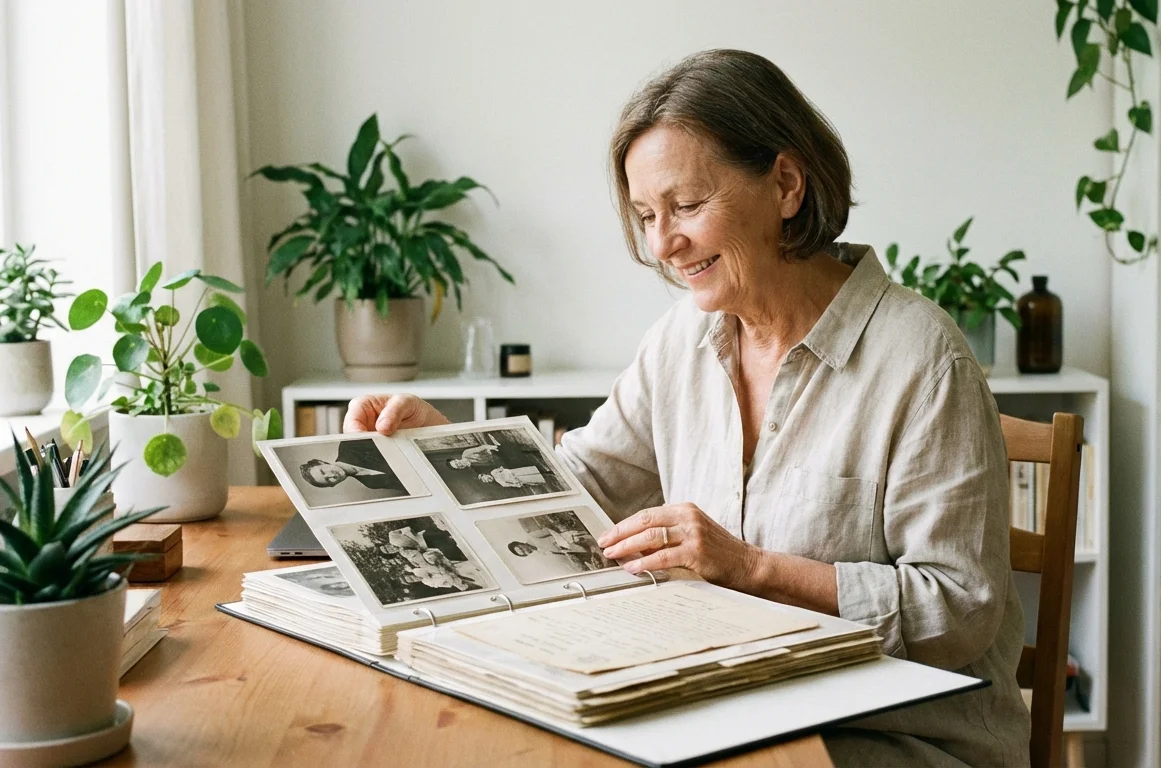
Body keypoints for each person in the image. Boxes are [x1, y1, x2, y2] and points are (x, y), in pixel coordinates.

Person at [343, 49, 1025, 767]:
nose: (663, 244)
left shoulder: (924, 359)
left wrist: (750, 567)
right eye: (645, 215)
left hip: (896, 739)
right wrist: (442, 445)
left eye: (687, 206)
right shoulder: (683, 341)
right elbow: (582, 487)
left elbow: (958, 610)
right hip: (734, 712)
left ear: (786, 184)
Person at [299, 439, 407, 493]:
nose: (331, 476)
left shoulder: (349, 445)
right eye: (328, 480)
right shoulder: (371, 484)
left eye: (323, 471)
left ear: (321, 462)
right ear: (334, 485)